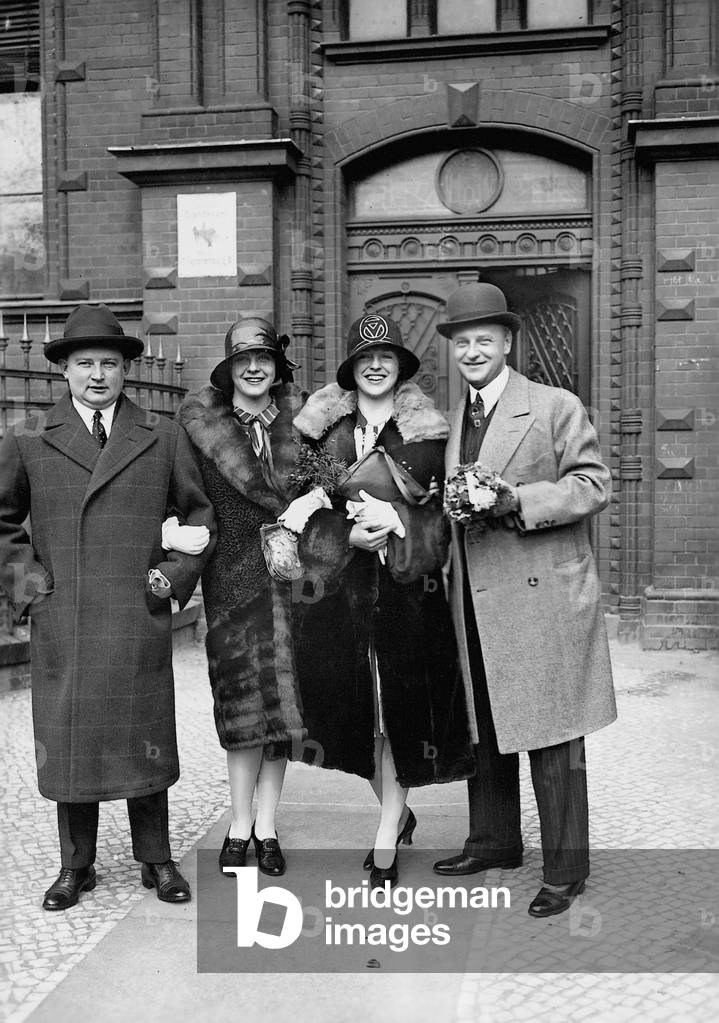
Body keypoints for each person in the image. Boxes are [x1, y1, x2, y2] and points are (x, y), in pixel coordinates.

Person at [0, 303, 215, 910]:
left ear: (126, 370)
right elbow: (2, 521)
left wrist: (169, 581)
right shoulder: (30, 438)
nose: (97, 375)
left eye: (110, 363)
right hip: (64, 618)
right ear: (63, 371)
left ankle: (157, 860)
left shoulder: (162, 435)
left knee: (143, 733)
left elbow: (200, 516)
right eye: (84, 363)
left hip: (134, 613)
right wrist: (32, 591)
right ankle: (77, 866)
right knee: (71, 741)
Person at [432, 281, 617, 917]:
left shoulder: (553, 405)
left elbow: (593, 485)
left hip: (542, 597)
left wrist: (517, 500)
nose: (473, 351)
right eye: (463, 342)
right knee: (483, 725)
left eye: (485, 339)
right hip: (475, 598)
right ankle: (495, 841)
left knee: (553, 733)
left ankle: (566, 868)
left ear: (508, 342)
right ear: (452, 351)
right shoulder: (451, 420)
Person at [289, 312, 474, 889]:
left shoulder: (431, 434)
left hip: (406, 592)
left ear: (400, 367)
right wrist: (345, 535)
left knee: (400, 710)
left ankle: (389, 823)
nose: (375, 365)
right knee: (351, 711)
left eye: (386, 357)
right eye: (365, 358)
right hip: (337, 595)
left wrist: (397, 519)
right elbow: (299, 512)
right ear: (350, 369)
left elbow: (448, 513)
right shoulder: (319, 433)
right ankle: (397, 808)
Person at [176, 317, 305, 877]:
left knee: (282, 713)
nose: (254, 368)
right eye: (243, 360)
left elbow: (327, 500)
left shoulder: (305, 426)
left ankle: (269, 826)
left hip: (293, 583)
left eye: (265, 359)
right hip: (229, 582)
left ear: (277, 369)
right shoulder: (200, 429)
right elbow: (184, 501)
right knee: (239, 705)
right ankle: (238, 824)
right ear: (228, 371)